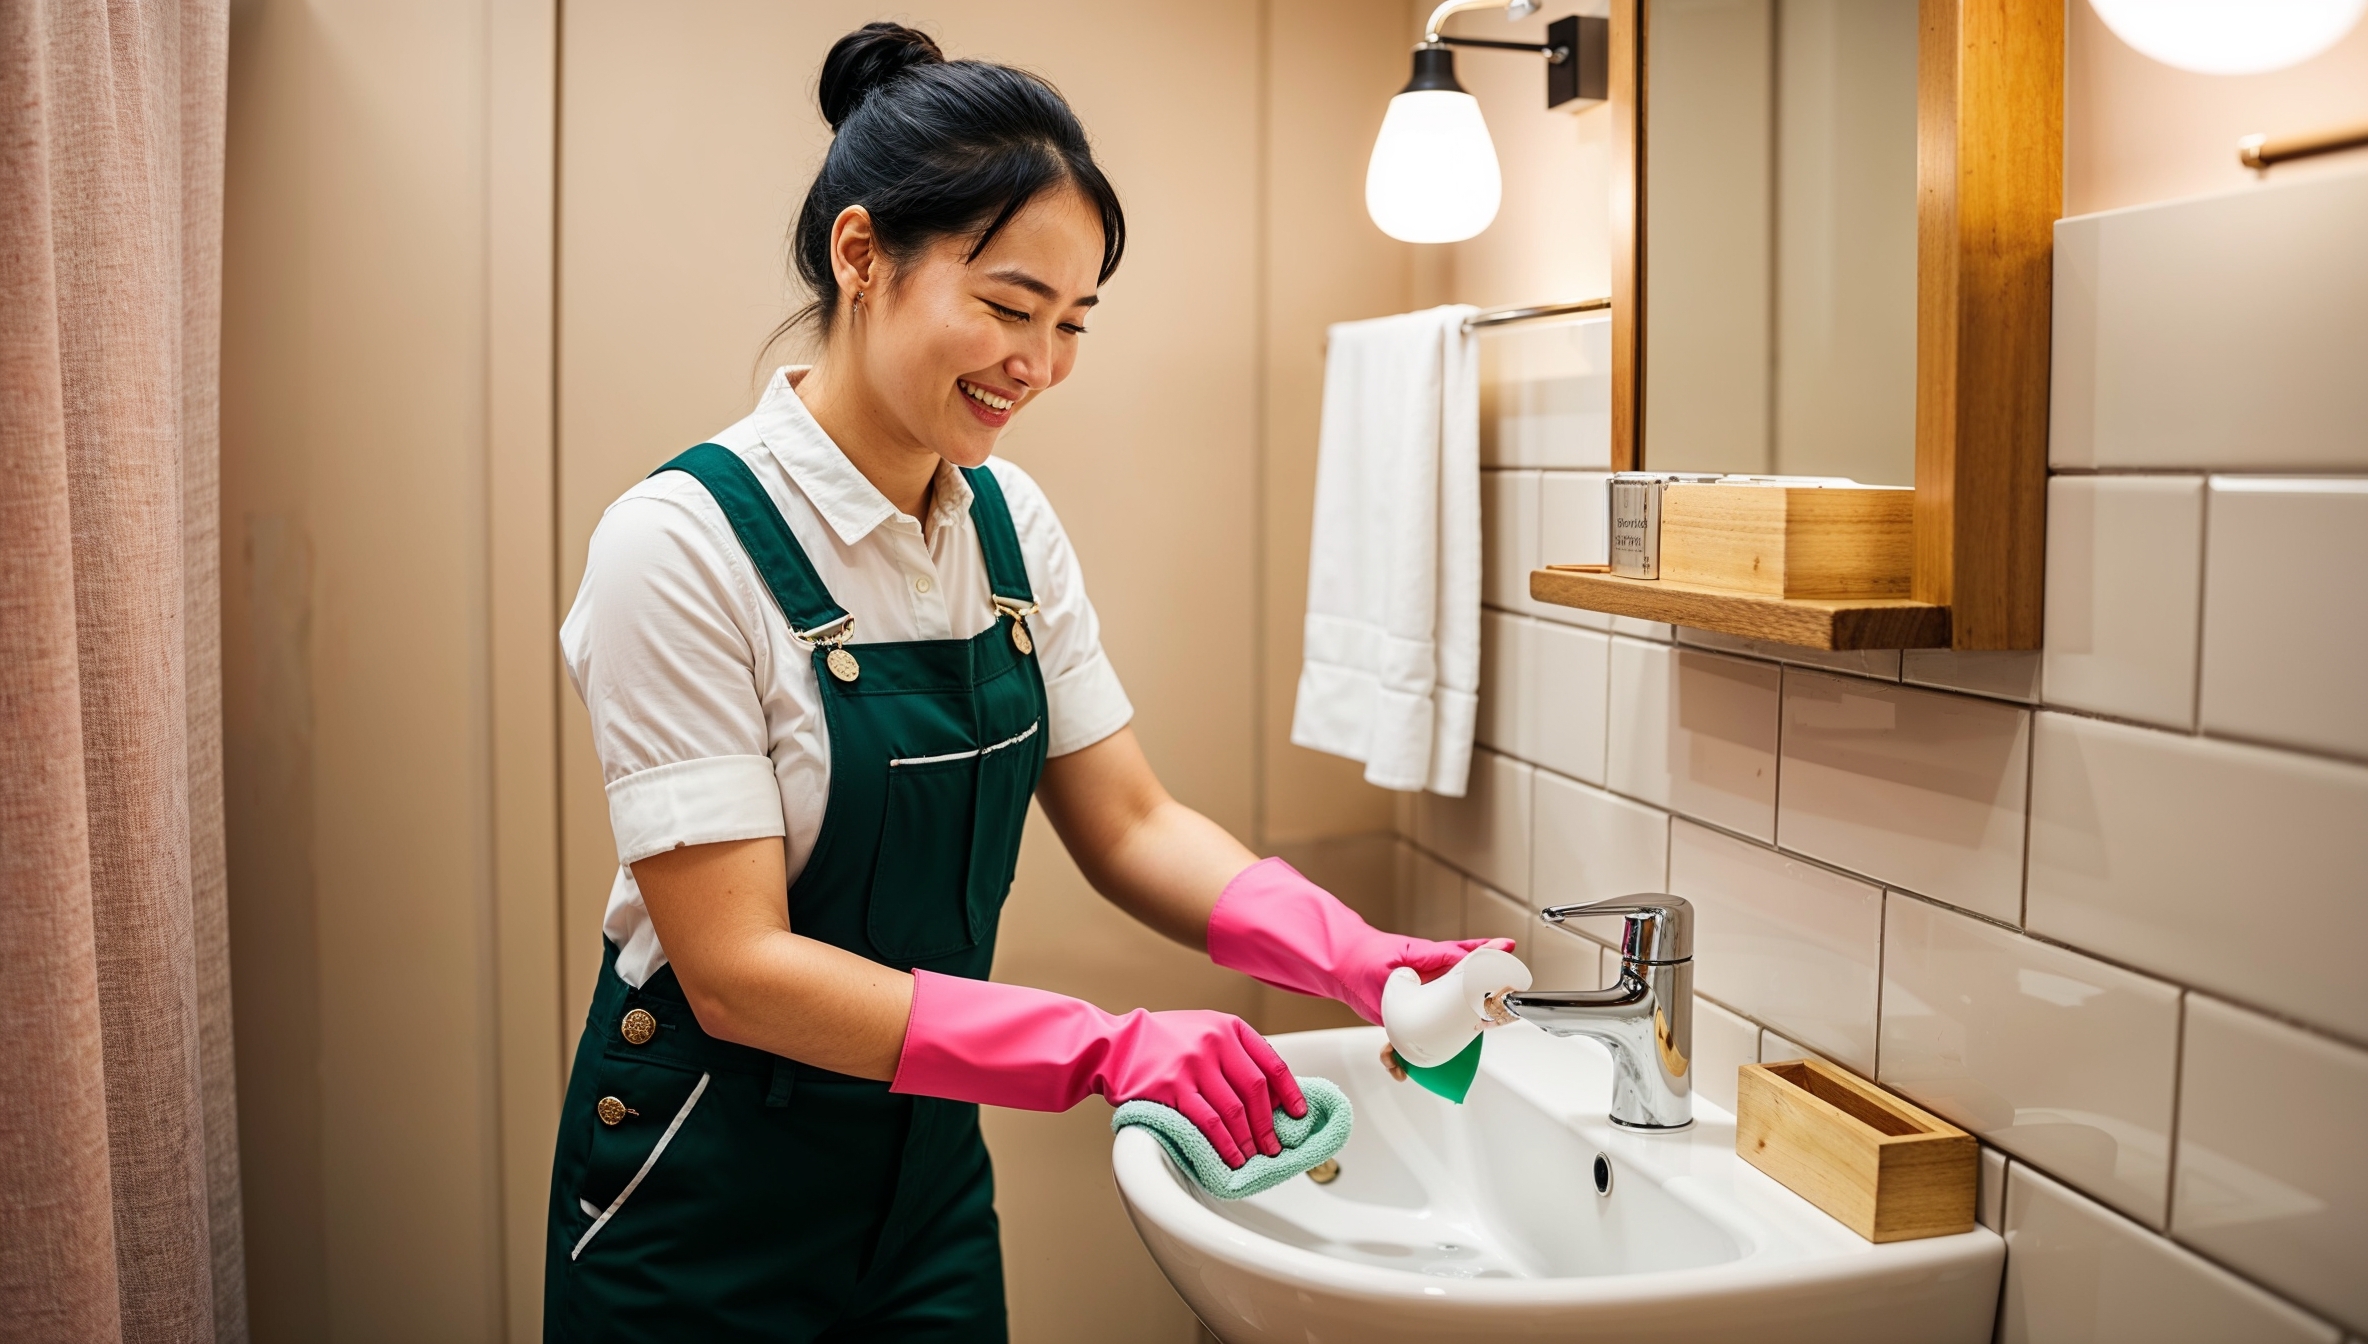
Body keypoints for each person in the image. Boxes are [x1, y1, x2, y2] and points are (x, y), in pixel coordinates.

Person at [544, 23, 1505, 1342]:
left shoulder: (1008, 532)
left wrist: (1363, 959)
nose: (1039, 364)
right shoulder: (680, 545)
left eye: (1070, 322)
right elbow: (740, 969)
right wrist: (1106, 1051)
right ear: (862, 254)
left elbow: (1130, 822)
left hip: (926, 1186)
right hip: (702, 1195)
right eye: (1006, 307)